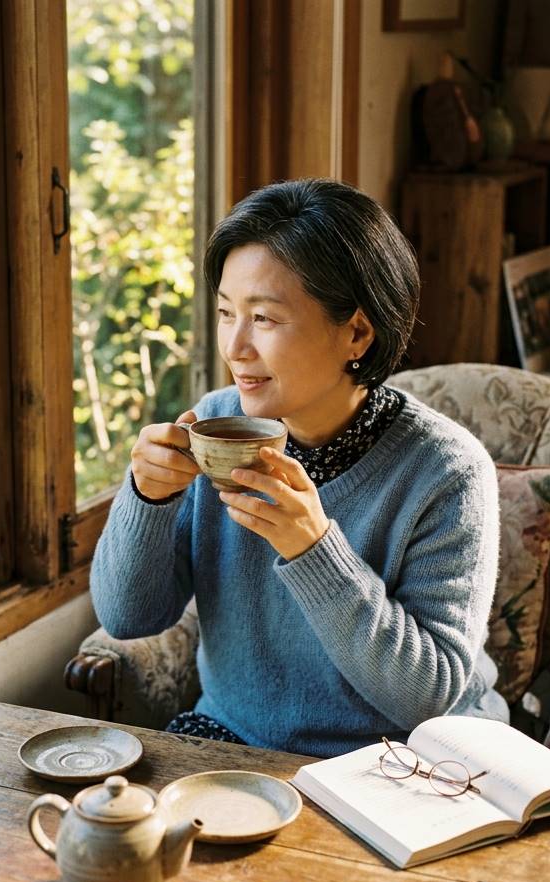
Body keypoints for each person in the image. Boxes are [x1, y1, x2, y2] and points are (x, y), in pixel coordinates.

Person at [90, 178, 508, 758]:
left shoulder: (446, 471)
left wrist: (314, 549)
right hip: (236, 739)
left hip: (397, 761)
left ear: (357, 333)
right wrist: (146, 498)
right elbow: (127, 618)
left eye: (263, 318)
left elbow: (428, 697)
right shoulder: (213, 427)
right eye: (226, 312)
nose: (235, 347)